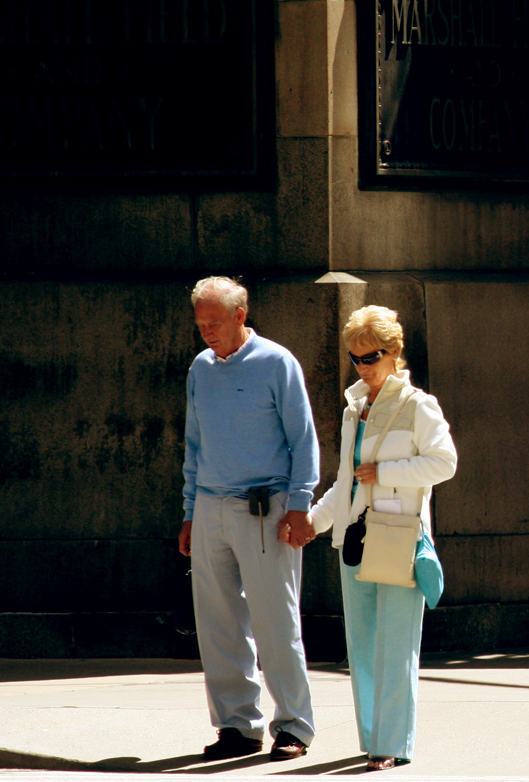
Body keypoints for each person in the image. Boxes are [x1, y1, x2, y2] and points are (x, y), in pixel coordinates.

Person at [306, 305, 457, 771]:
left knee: (396, 645)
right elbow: (344, 480)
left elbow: (444, 462)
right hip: (355, 538)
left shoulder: (418, 405)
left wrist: (386, 471)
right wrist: (312, 523)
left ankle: (392, 744)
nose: (363, 367)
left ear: (394, 353)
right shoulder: (356, 406)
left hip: (398, 537)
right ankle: (374, 739)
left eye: (370, 357)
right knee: (364, 647)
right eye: (355, 358)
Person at [178, 276, 319, 761]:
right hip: (211, 505)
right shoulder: (200, 368)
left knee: (276, 622)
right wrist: (190, 511)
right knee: (218, 624)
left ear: (241, 315)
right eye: (200, 325)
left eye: (214, 323)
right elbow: (194, 443)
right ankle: (238, 726)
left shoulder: (277, 362)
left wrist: (300, 506)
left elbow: (303, 440)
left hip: (267, 507)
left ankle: (294, 725)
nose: (207, 333)